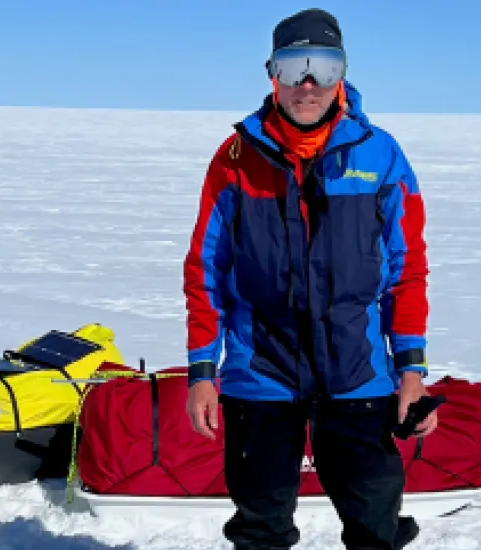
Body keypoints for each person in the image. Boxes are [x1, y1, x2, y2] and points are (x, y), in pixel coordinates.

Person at [181, 8, 433, 549]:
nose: (309, 84)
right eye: (296, 67)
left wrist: (410, 369)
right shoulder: (234, 160)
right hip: (260, 372)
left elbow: (406, 271)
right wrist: (203, 370)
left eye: (324, 65)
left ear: (343, 72)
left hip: (358, 374)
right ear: (272, 73)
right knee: (260, 527)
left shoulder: (380, 156)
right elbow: (205, 270)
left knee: (375, 524)